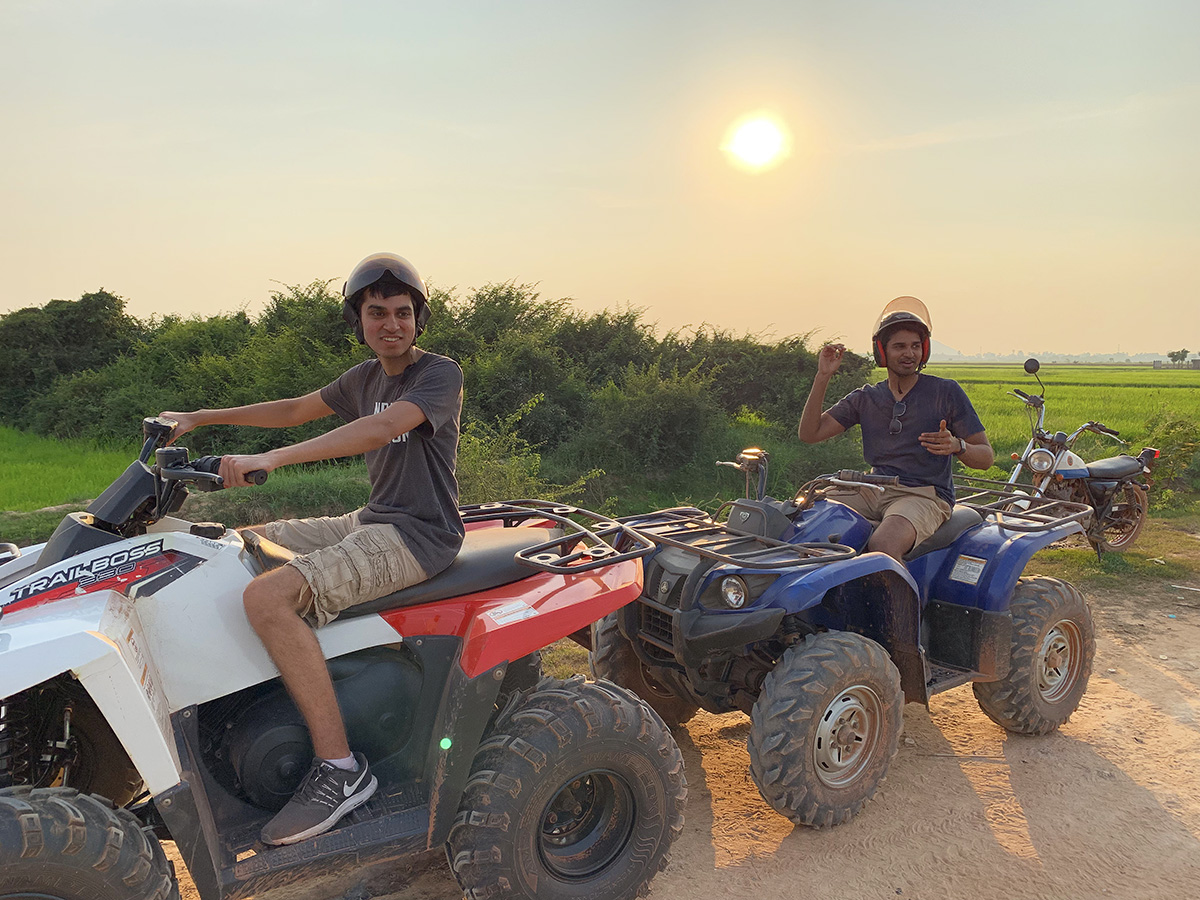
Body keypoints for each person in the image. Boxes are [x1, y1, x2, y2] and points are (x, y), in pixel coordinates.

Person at [161, 252, 464, 845]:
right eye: (377, 313)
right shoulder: (364, 377)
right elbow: (296, 410)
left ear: (418, 320)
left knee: (268, 598)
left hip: (419, 535)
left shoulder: (438, 374)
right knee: (236, 547)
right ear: (360, 321)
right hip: (370, 519)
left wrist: (271, 460)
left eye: (402, 313)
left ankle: (340, 768)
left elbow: (378, 429)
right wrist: (198, 418)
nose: (391, 325)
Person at [797, 296, 994, 561]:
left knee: (884, 544)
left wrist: (958, 446)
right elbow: (810, 434)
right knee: (806, 520)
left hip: (924, 495)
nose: (909, 354)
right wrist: (823, 377)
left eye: (915, 346)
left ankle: (902, 603)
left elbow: (986, 457)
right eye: (899, 346)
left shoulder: (945, 392)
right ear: (882, 351)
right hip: (872, 488)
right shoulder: (866, 398)